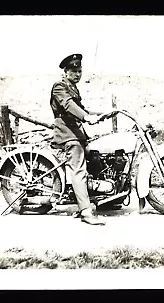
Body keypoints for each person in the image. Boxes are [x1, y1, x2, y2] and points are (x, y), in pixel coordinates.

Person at [50, 54, 106, 226]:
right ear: (66, 71)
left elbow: (82, 109)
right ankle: (85, 212)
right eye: (74, 71)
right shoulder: (59, 86)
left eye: (80, 71)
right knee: (79, 170)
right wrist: (85, 117)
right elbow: (68, 105)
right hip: (68, 134)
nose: (77, 74)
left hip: (77, 133)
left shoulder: (73, 88)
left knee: (97, 158)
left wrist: (101, 114)